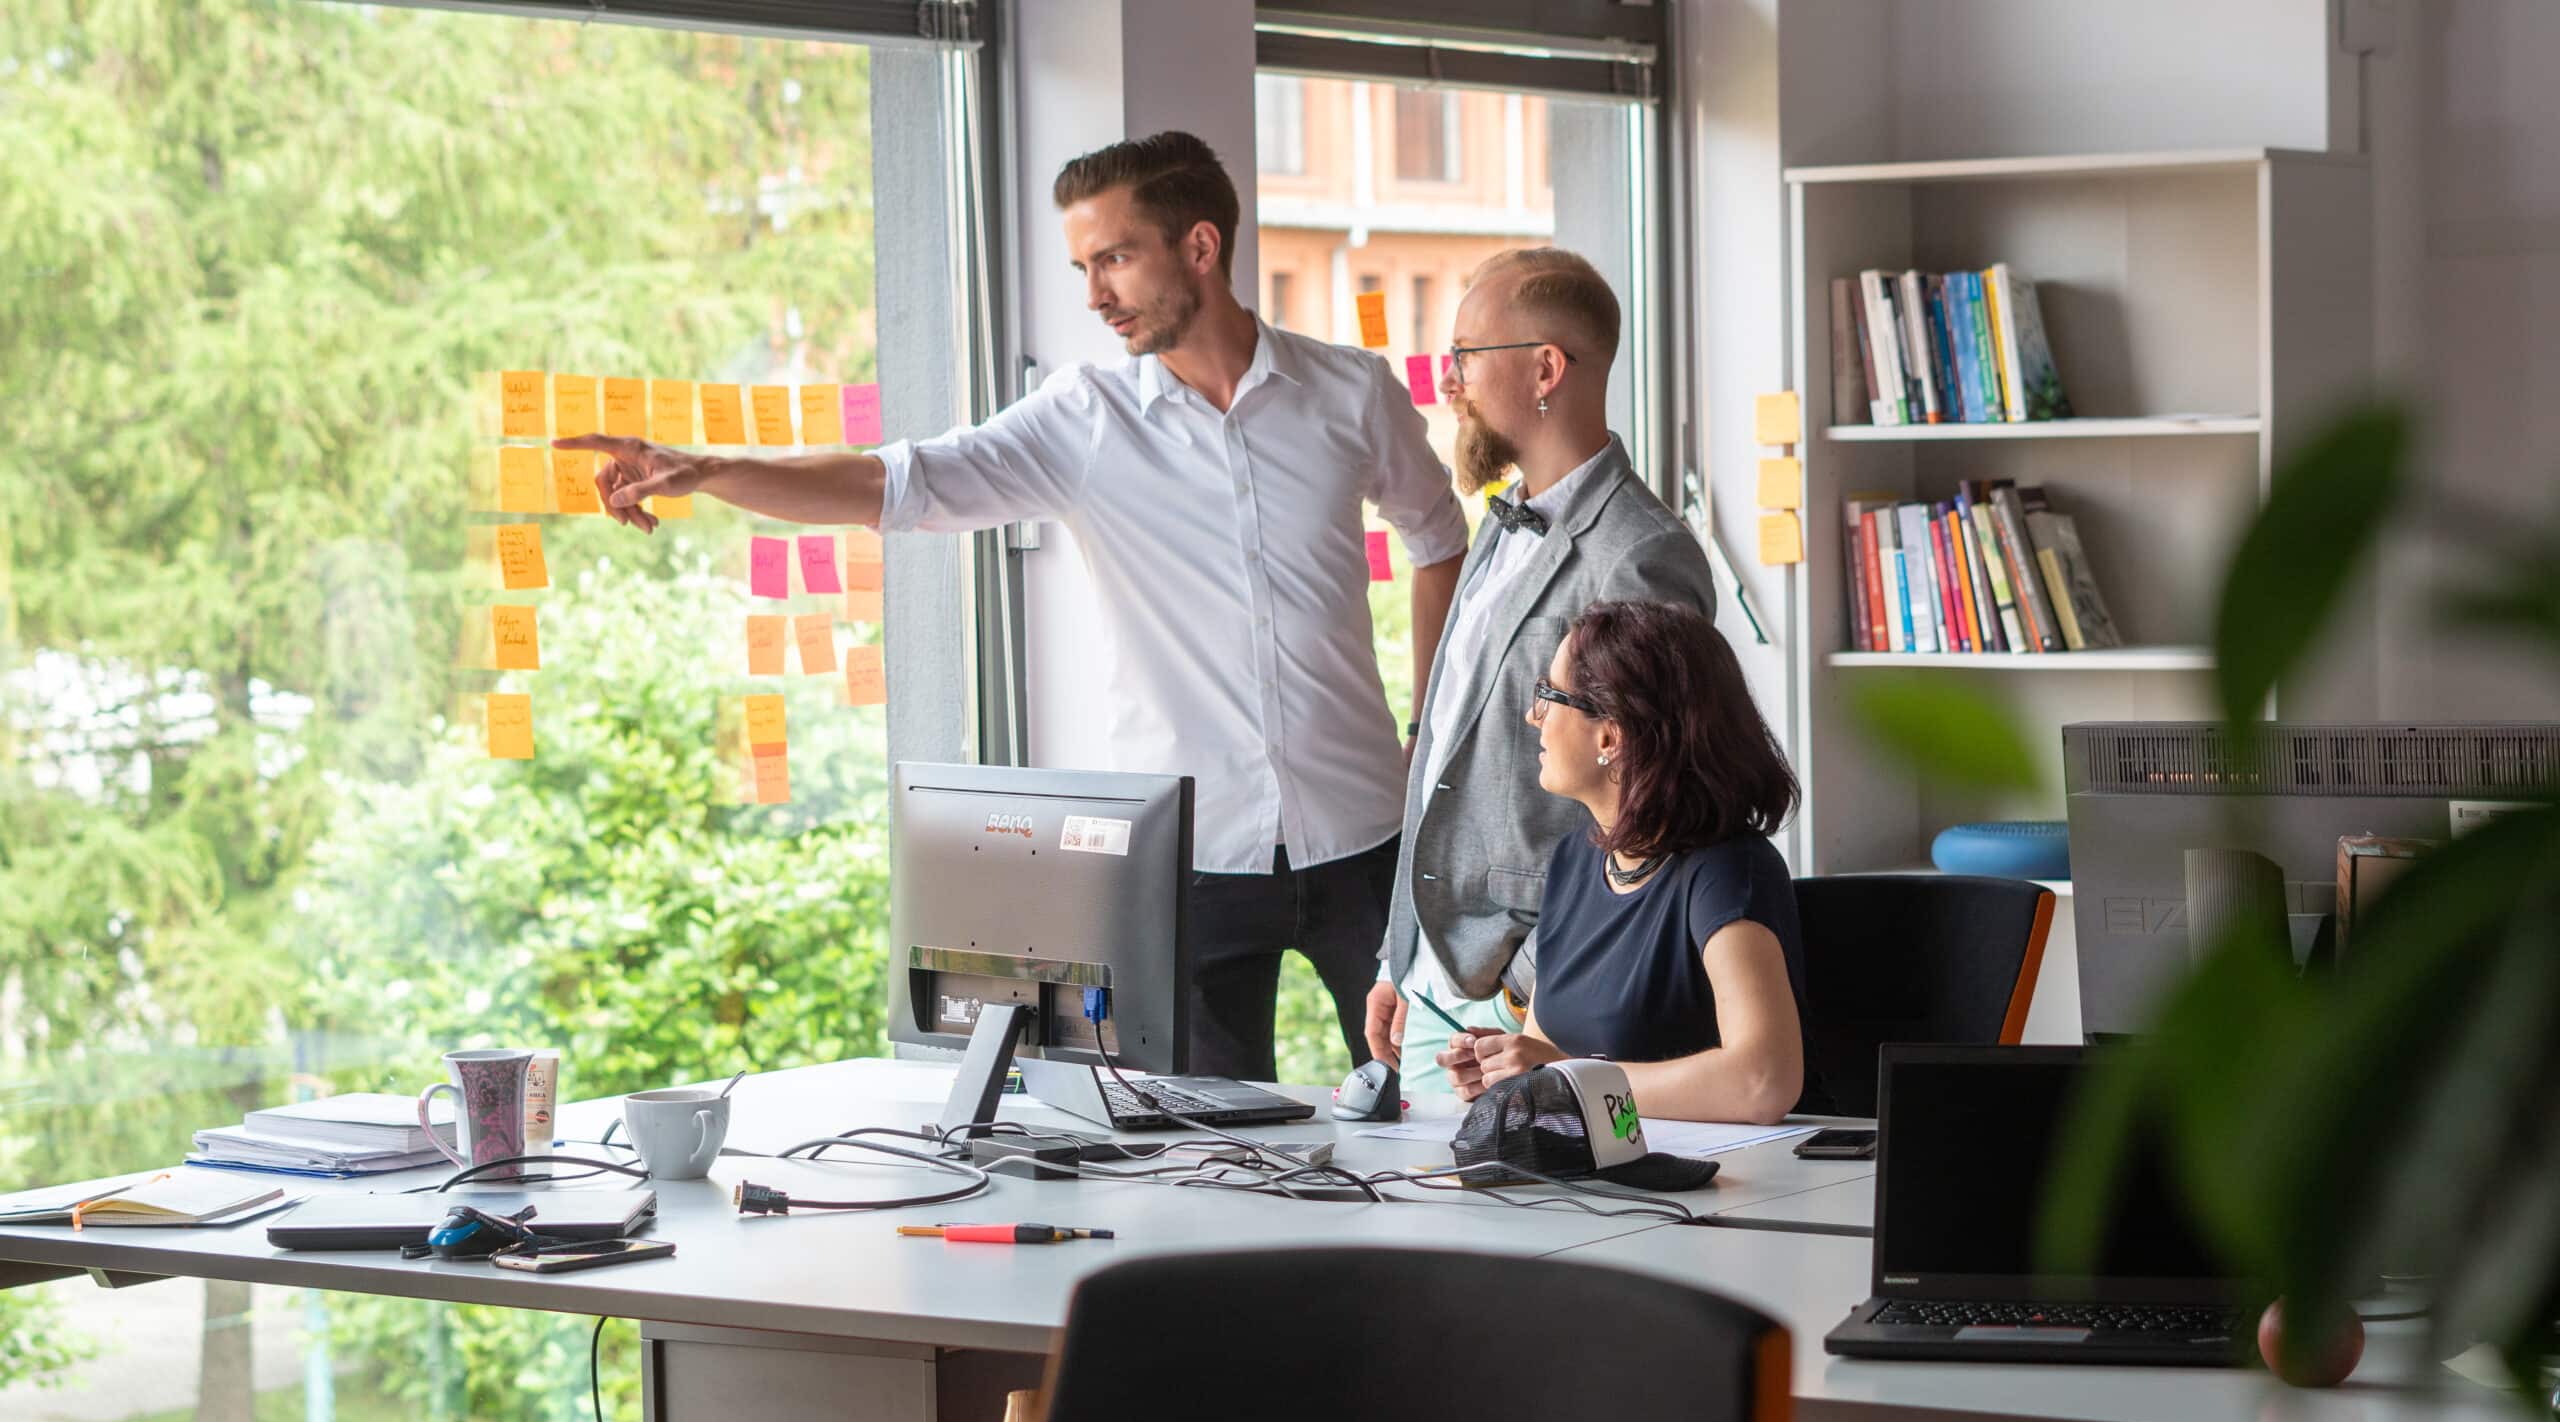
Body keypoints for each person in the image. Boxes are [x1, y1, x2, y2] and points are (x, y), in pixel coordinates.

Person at [557, 132, 1469, 1082]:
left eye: (1115, 258)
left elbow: (1441, 540)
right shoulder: (1083, 421)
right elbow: (899, 481)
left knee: (1423, 1105)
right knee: (1212, 1143)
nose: (1095, 295)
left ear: (1200, 246)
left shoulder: (1350, 392)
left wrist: (1428, 730)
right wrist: (708, 470)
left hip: (1371, 835)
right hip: (1192, 859)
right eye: (1083, 268)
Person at [1362, 248, 1715, 1094]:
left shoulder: (1643, 555)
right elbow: (1446, 752)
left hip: (1531, 1003)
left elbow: (1656, 801)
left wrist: (1529, 987)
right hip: (1431, 985)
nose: (1451, 383)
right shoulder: (1500, 523)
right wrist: (1399, 957)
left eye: (1465, 356)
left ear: (1546, 369)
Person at [1438, 600, 1810, 1124]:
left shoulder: (1729, 873)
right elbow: (1550, 1051)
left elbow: (1763, 1082)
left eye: (1549, 696)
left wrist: (1563, 1078)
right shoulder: (1574, 859)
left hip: (1715, 1172)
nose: (1533, 716)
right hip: (1594, 1161)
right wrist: (1507, 1070)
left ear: (1610, 736)